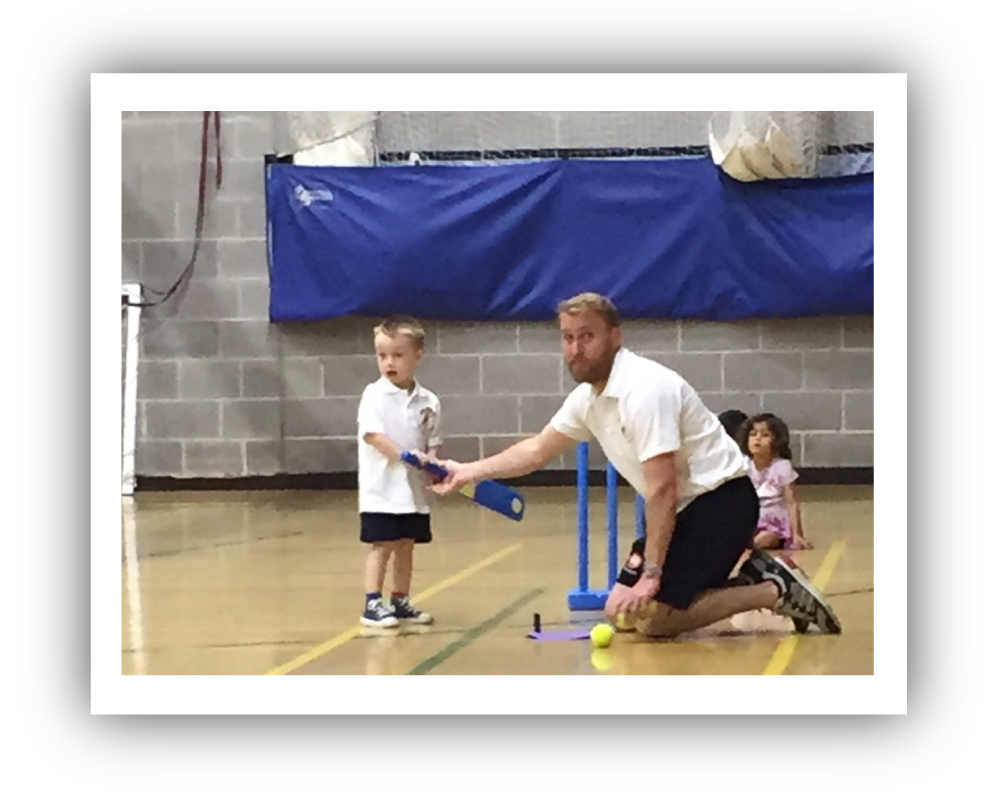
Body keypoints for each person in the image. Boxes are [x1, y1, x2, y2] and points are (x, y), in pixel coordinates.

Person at [431, 293, 840, 636]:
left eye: (587, 336)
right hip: (685, 510)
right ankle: (728, 582)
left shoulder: (644, 390)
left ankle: (772, 589)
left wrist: (653, 573)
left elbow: (663, 489)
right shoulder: (588, 398)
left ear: (615, 336)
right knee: (620, 614)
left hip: (722, 504)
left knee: (652, 622)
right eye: (568, 338)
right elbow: (538, 450)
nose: (576, 349)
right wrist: (468, 470)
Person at [356, 315, 441, 628]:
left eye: (397, 355)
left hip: (413, 493)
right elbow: (374, 436)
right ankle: (372, 603)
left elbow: (432, 441)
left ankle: (400, 599)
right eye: (382, 355)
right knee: (383, 545)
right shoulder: (373, 396)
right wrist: (406, 455)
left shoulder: (429, 401)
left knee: (406, 544)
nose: (388, 362)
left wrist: (433, 466)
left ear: (417, 355)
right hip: (382, 491)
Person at [743, 413, 813, 551]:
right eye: (753, 434)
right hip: (752, 520)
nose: (757, 438)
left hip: (774, 524)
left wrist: (798, 534)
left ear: (776, 441)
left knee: (765, 539)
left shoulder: (782, 467)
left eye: (765, 435)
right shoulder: (743, 466)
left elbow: (791, 502)